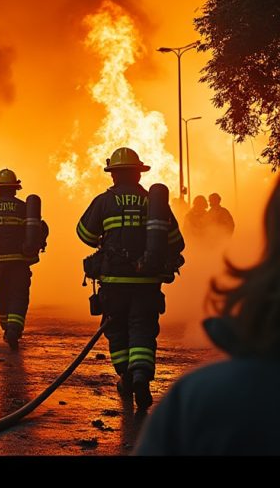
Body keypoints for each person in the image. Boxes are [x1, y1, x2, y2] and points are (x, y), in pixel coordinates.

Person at [135, 179, 280, 455]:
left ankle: (134, 372)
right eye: (205, 202)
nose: (206, 205)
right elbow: (182, 235)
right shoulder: (192, 216)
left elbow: (225, 228)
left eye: (208, 202)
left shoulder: (200, 400)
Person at [75, 147, 184, 410]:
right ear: (138, 174)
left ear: (113, 175)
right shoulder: (154, 203)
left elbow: (85, 235)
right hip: (148, 283)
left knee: (117, 330)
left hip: (114, 283)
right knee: (143, 329)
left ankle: (125, 374)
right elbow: (176, 242)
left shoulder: (104, 200)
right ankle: (140, 377)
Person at [0, 169, 47, 351]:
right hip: (20, 262)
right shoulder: (23, 208)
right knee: (19, 295)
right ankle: (14, 329)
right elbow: (39, 229)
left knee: (2, 295)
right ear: (16, 188)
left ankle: (7, 327)